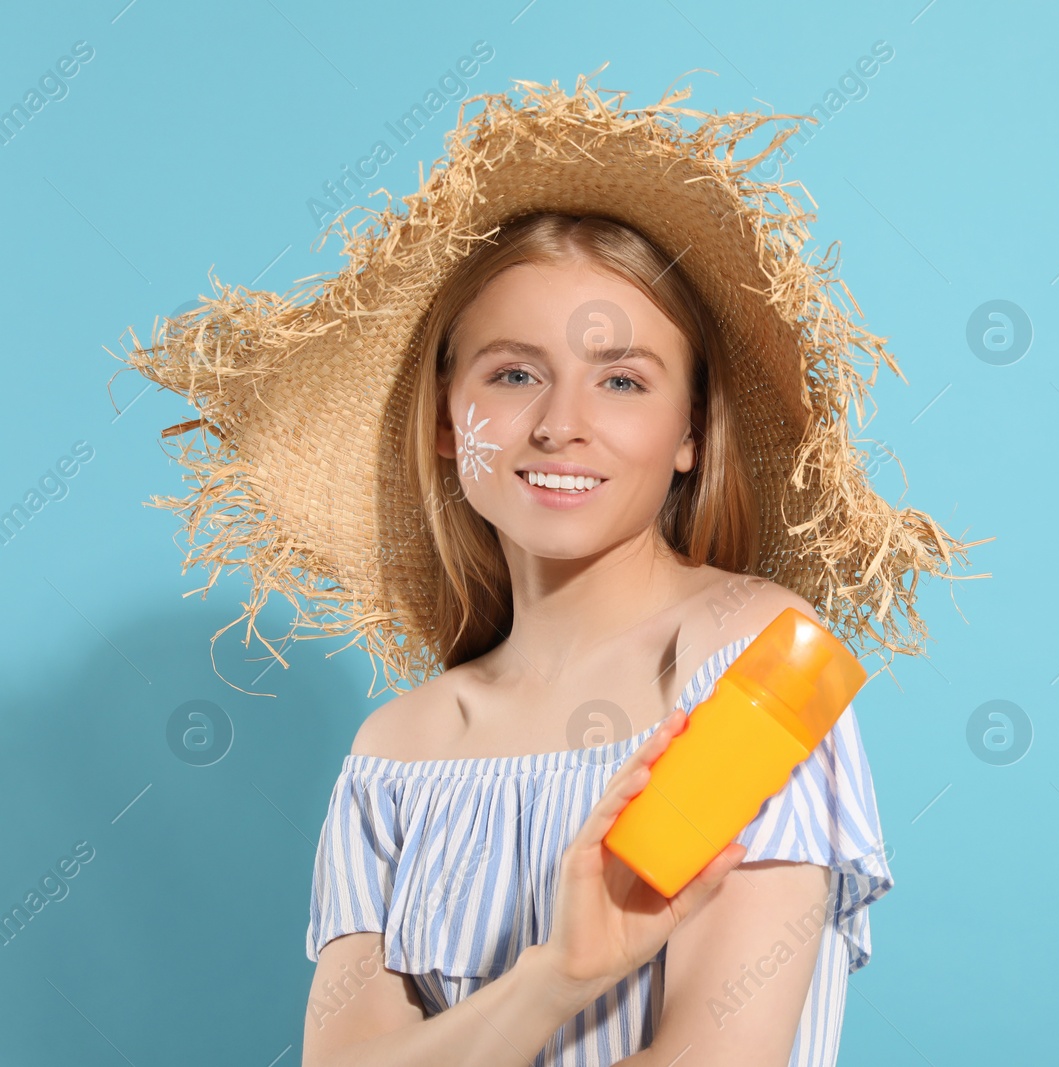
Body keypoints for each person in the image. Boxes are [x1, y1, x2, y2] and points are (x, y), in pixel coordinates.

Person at [118, 71, 985, 1066]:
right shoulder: (399, 749)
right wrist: (559, 976)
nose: (561, 422)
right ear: (449, 423)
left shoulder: (755, 661)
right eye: (513, 372)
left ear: (690, 430)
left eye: (621, 378)